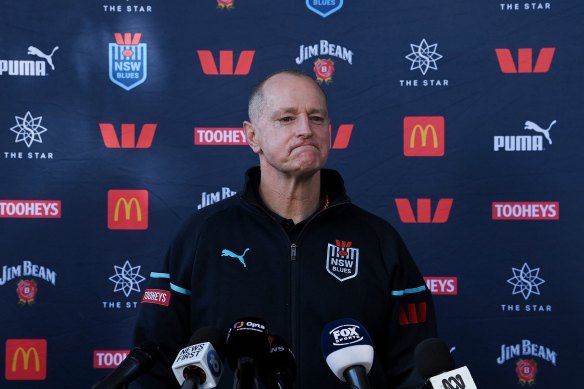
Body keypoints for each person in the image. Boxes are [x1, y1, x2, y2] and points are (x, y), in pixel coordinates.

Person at [132, 69, 437, 388]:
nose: (306, 129)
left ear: (330, 132)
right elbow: (154, 364)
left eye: (317, 118)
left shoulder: (378, 239)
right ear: (252, 136)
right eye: (287, 118)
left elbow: (414, 370)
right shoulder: (201, 234)